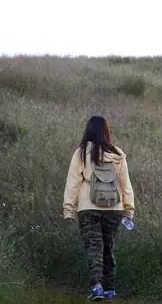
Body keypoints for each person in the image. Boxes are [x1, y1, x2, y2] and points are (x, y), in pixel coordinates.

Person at [63, 115, 135, 301]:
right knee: (108, 247)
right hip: (114, 208)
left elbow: (73, 183)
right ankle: (110, 289)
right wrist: (129, 209)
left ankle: (97, 287)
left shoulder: (81, 153)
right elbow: (126, 185)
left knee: (94, 248)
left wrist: (69, 208)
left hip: (88, 208)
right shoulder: (118, 154)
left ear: (88, 130)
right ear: (106, 132)